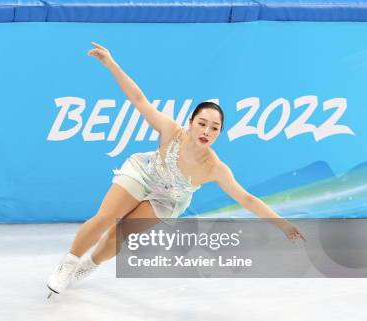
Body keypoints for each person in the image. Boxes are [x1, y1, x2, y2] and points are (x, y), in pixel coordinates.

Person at [46, 42, 306, 295]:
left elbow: (246, 198)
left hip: (169, 198)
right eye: (202, 123)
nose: (206, 131)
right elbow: (139, 99)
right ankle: (67, 265)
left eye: (214, 128)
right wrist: (111, 64)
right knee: (106, 216)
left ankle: (89, 265)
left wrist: (282, 225)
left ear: (220, 132)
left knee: (121, 232)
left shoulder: (215, 167)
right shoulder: (171, 131)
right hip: (145, 172)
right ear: (190, 121)